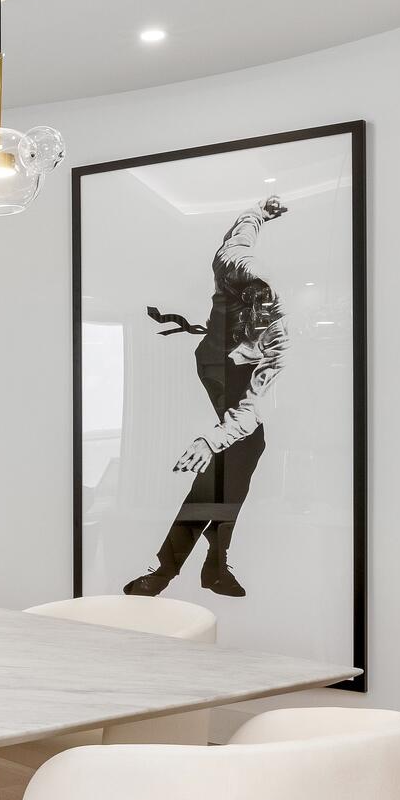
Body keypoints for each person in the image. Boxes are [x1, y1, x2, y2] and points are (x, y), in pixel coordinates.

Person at [125, 195, 288, 599]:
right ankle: (208, 566)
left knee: (233, 460)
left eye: (262, 307)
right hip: (215, 365)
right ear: (237, 287)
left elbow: (254, 405)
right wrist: (259, 211)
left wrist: (210, 440)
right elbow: (241, 232)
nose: (255, 312)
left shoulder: (278, 333)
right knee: (239, 458)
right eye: (249, 301)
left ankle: (180, 568)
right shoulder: (230, 261)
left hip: (245, 372)